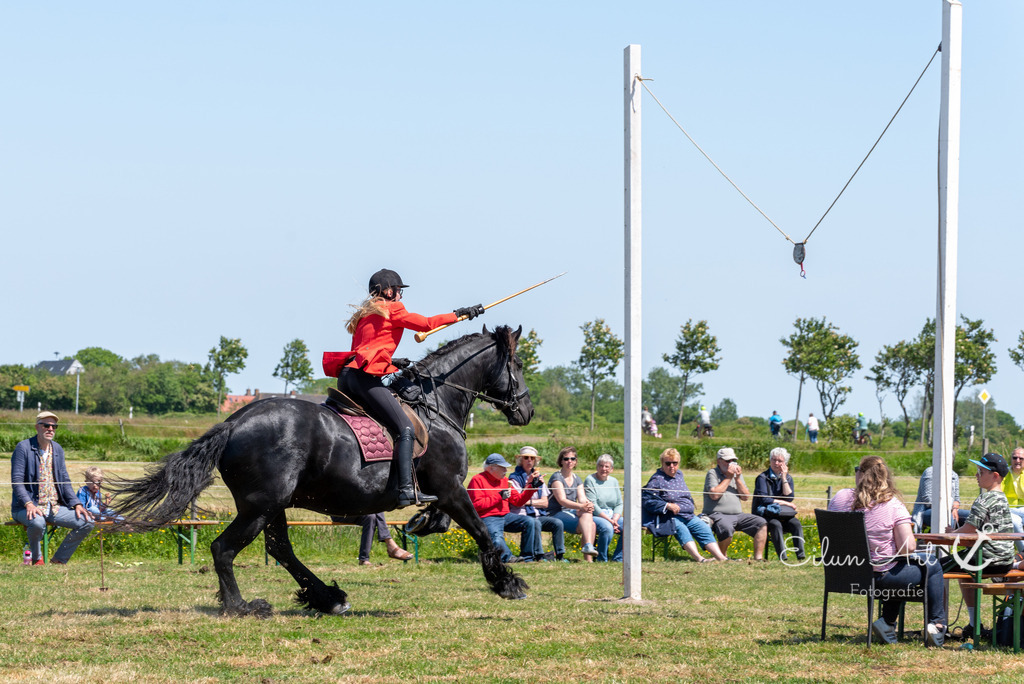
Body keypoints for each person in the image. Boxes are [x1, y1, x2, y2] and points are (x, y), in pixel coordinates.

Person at [323, 268, 484, 508]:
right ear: (389, 292)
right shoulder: (392, 308)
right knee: (406, 427)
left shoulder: (366, 313)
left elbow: (367, 347)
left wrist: (391, 361)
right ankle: (406, 489)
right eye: (398, 290)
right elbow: (426, 324)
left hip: (347, 376)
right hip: (364, 378)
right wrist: (459, 314)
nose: (400, 295)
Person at [828, 455, 947, 647]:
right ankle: (937, 624)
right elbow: (908, 547)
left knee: (898, 565)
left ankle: (888, 623)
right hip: (879, 579)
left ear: (861, 474)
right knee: (931, 564)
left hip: (842, 574)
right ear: (885, 476)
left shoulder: (839, 497)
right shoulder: (892, 505)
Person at [942, 452, 1015, 638]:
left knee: (936, 568)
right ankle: (974, 625)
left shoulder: (984, 499)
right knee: (964, 573)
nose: (976, 475)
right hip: (1005, 560)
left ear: (995, 476)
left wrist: (951, 534)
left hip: (986, 559)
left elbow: (969, 529)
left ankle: (937, 623)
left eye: (981, 472)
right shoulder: (1003, 499)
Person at [11, 411, 95, 565]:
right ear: (37, 427)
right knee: (37, 522)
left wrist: (77, 504)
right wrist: (28, 503)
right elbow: (17, 481)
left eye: (54, 426)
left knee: (87, 521)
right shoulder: (23, 447)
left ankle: (58, 560)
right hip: (25, 507)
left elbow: (64, 480)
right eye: (46, 425)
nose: (50, 429)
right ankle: (37, 558)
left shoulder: (57, 449)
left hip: (54, 507)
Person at [642, 448, 728, 562]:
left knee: (703, 527)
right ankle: (700, 559)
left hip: (688, 515)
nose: (672, 466)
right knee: (682, 529)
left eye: (675, 463)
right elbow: (647, 500)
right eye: (668, 463)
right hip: (669, 517)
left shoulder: (679, 474)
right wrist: (667, 505)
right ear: (662, 463)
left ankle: (721, 558)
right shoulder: (657, 479)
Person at [468, 453, 541, 562]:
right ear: (491, 468)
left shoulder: (505, 481)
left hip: (506, 516)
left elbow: (518, 501)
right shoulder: (477, 480)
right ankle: (508, 558)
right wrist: (499, 496)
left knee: (530, 522)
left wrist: (532, 487)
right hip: (488, 517)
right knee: (497, 539)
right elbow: (475, 506)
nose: (506, 470)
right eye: (503, 468)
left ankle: (527, 557)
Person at [702, 447, 767, 560]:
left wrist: (737, 479)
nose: (731, 463)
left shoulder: (737, 475)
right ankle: (721, 557)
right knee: (726, 526)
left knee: (761, 523)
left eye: (733, 460)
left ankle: (758, 558)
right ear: (719, 461)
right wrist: (728, 477)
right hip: (717, 514)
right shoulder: (712, 473)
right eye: (727, 461)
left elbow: (745, 497)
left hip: (738, 515)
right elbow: (714, 495)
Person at [508, 446, 565, 561]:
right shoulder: (514, 478)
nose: (529, 460)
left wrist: (529, 502)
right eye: (526, 458)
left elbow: (545, 503)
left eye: (532, 458)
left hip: (538, 514)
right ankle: (539, 555)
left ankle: (560, 555)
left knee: (558, 523)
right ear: (521, 460)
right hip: (521, 515)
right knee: (535, 522)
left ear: (535, 461)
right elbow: (518, 501)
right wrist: (529, 485)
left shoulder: (539, 478)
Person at [752, 447, 805, 561]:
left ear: (785, 463)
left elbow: (789, 497)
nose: (776, 463)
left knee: (796, 523)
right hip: (765, 513)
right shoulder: (762, 478)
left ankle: (801, 556)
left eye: (779, 461)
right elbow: (764, 500)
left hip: (782, 513)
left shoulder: (788, 478)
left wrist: (784, 478)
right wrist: (786, 504)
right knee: (775, 524)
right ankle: (783, 557)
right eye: (773, 460)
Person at [548, 447, 599, 561]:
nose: (569, 461)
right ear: (561, 461)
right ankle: (588, 553)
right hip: (556, 512)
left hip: (570, 511)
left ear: (576, 462)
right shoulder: (557, 477)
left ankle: (588, 553)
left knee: (589, 516)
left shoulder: (577, 478)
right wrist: (581, 506)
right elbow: (562, 500)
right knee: (590, 525)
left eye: (572, 459)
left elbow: (582, 498)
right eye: (566, 459)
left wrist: (587, 505)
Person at [330, 513, 414, 565]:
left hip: (355, 510)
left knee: (370, 517)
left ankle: (363, 559)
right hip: (339, 512)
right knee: (376, 507)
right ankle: (389, 543)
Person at [584, 454, 623, 562]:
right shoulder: (590, 480)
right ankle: (601, 558)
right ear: (597, 467)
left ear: (611, 469)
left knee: (629, 526)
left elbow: (619, 503)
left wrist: (615, 519)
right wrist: (610, 521)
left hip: (612, 515)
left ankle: (618, 558)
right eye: (601, 466)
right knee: (607, 528)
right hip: (596, 515)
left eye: (606, 466)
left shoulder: (614, 481)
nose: (603, 469)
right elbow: (593, 504)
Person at [911, 465, 965, 533]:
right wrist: (947, 509)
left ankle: (969, 538)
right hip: (926, 510)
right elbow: (927, 499)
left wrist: (955, 509)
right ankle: (946, 538)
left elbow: (956, 498)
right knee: (946, 516)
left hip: (950, 509)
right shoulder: (930, 472)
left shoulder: (954, 474)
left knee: (971, 516)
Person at [1001, 447, 1024, 553]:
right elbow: (998, 492)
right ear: (1011, 459)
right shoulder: (1004, 473)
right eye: (1015, 458)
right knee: (1015, 522)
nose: (1017, 461)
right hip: (1008, 509)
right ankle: (1023, 553)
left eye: (1021, 458)